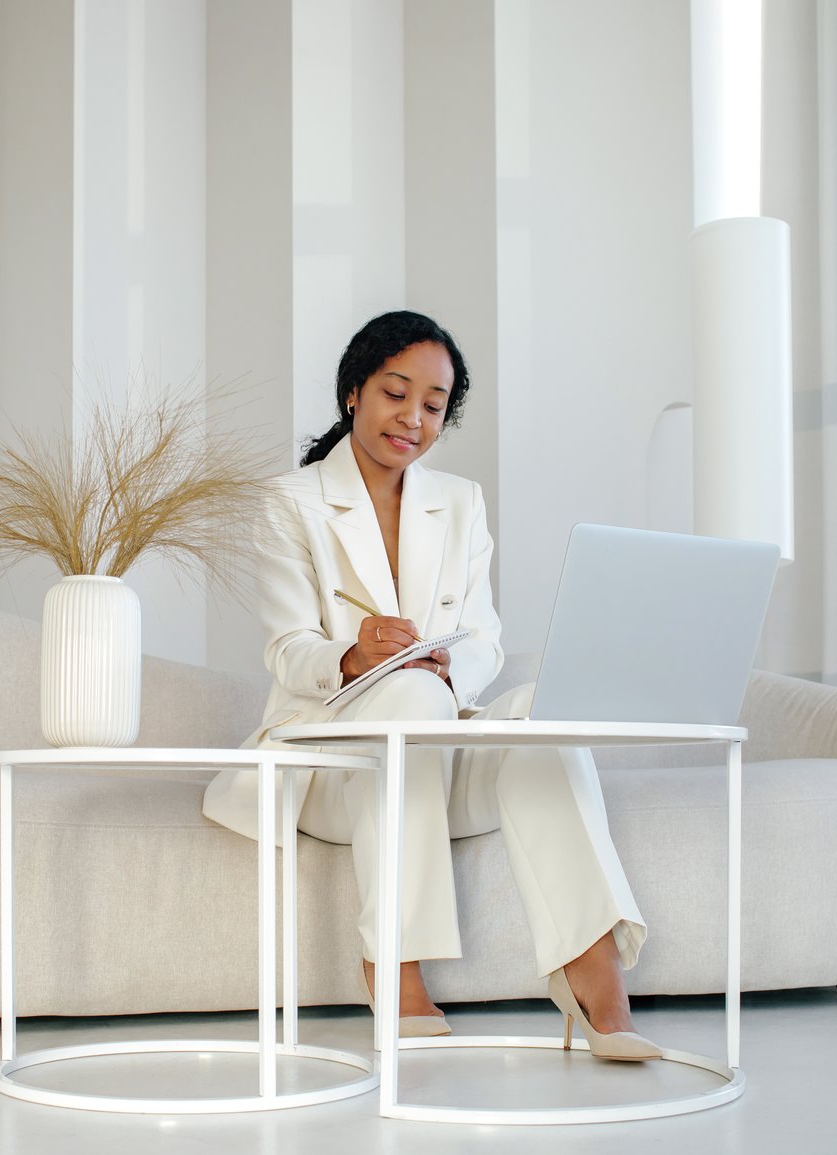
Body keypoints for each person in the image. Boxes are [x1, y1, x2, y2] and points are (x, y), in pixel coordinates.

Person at [201, 311, 658, 1059]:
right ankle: (393, 960)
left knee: (542, 710)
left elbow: (485, 641)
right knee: (407, 697)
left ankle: (591, 966)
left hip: (437, 748)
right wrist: (354, 653)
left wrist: (451, 664)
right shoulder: (293, 502)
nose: (412, 418)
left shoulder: (461, 502)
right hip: (336, 765)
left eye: (434, 404)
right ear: (354, 391)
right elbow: (288, 649)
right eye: (395, 393)